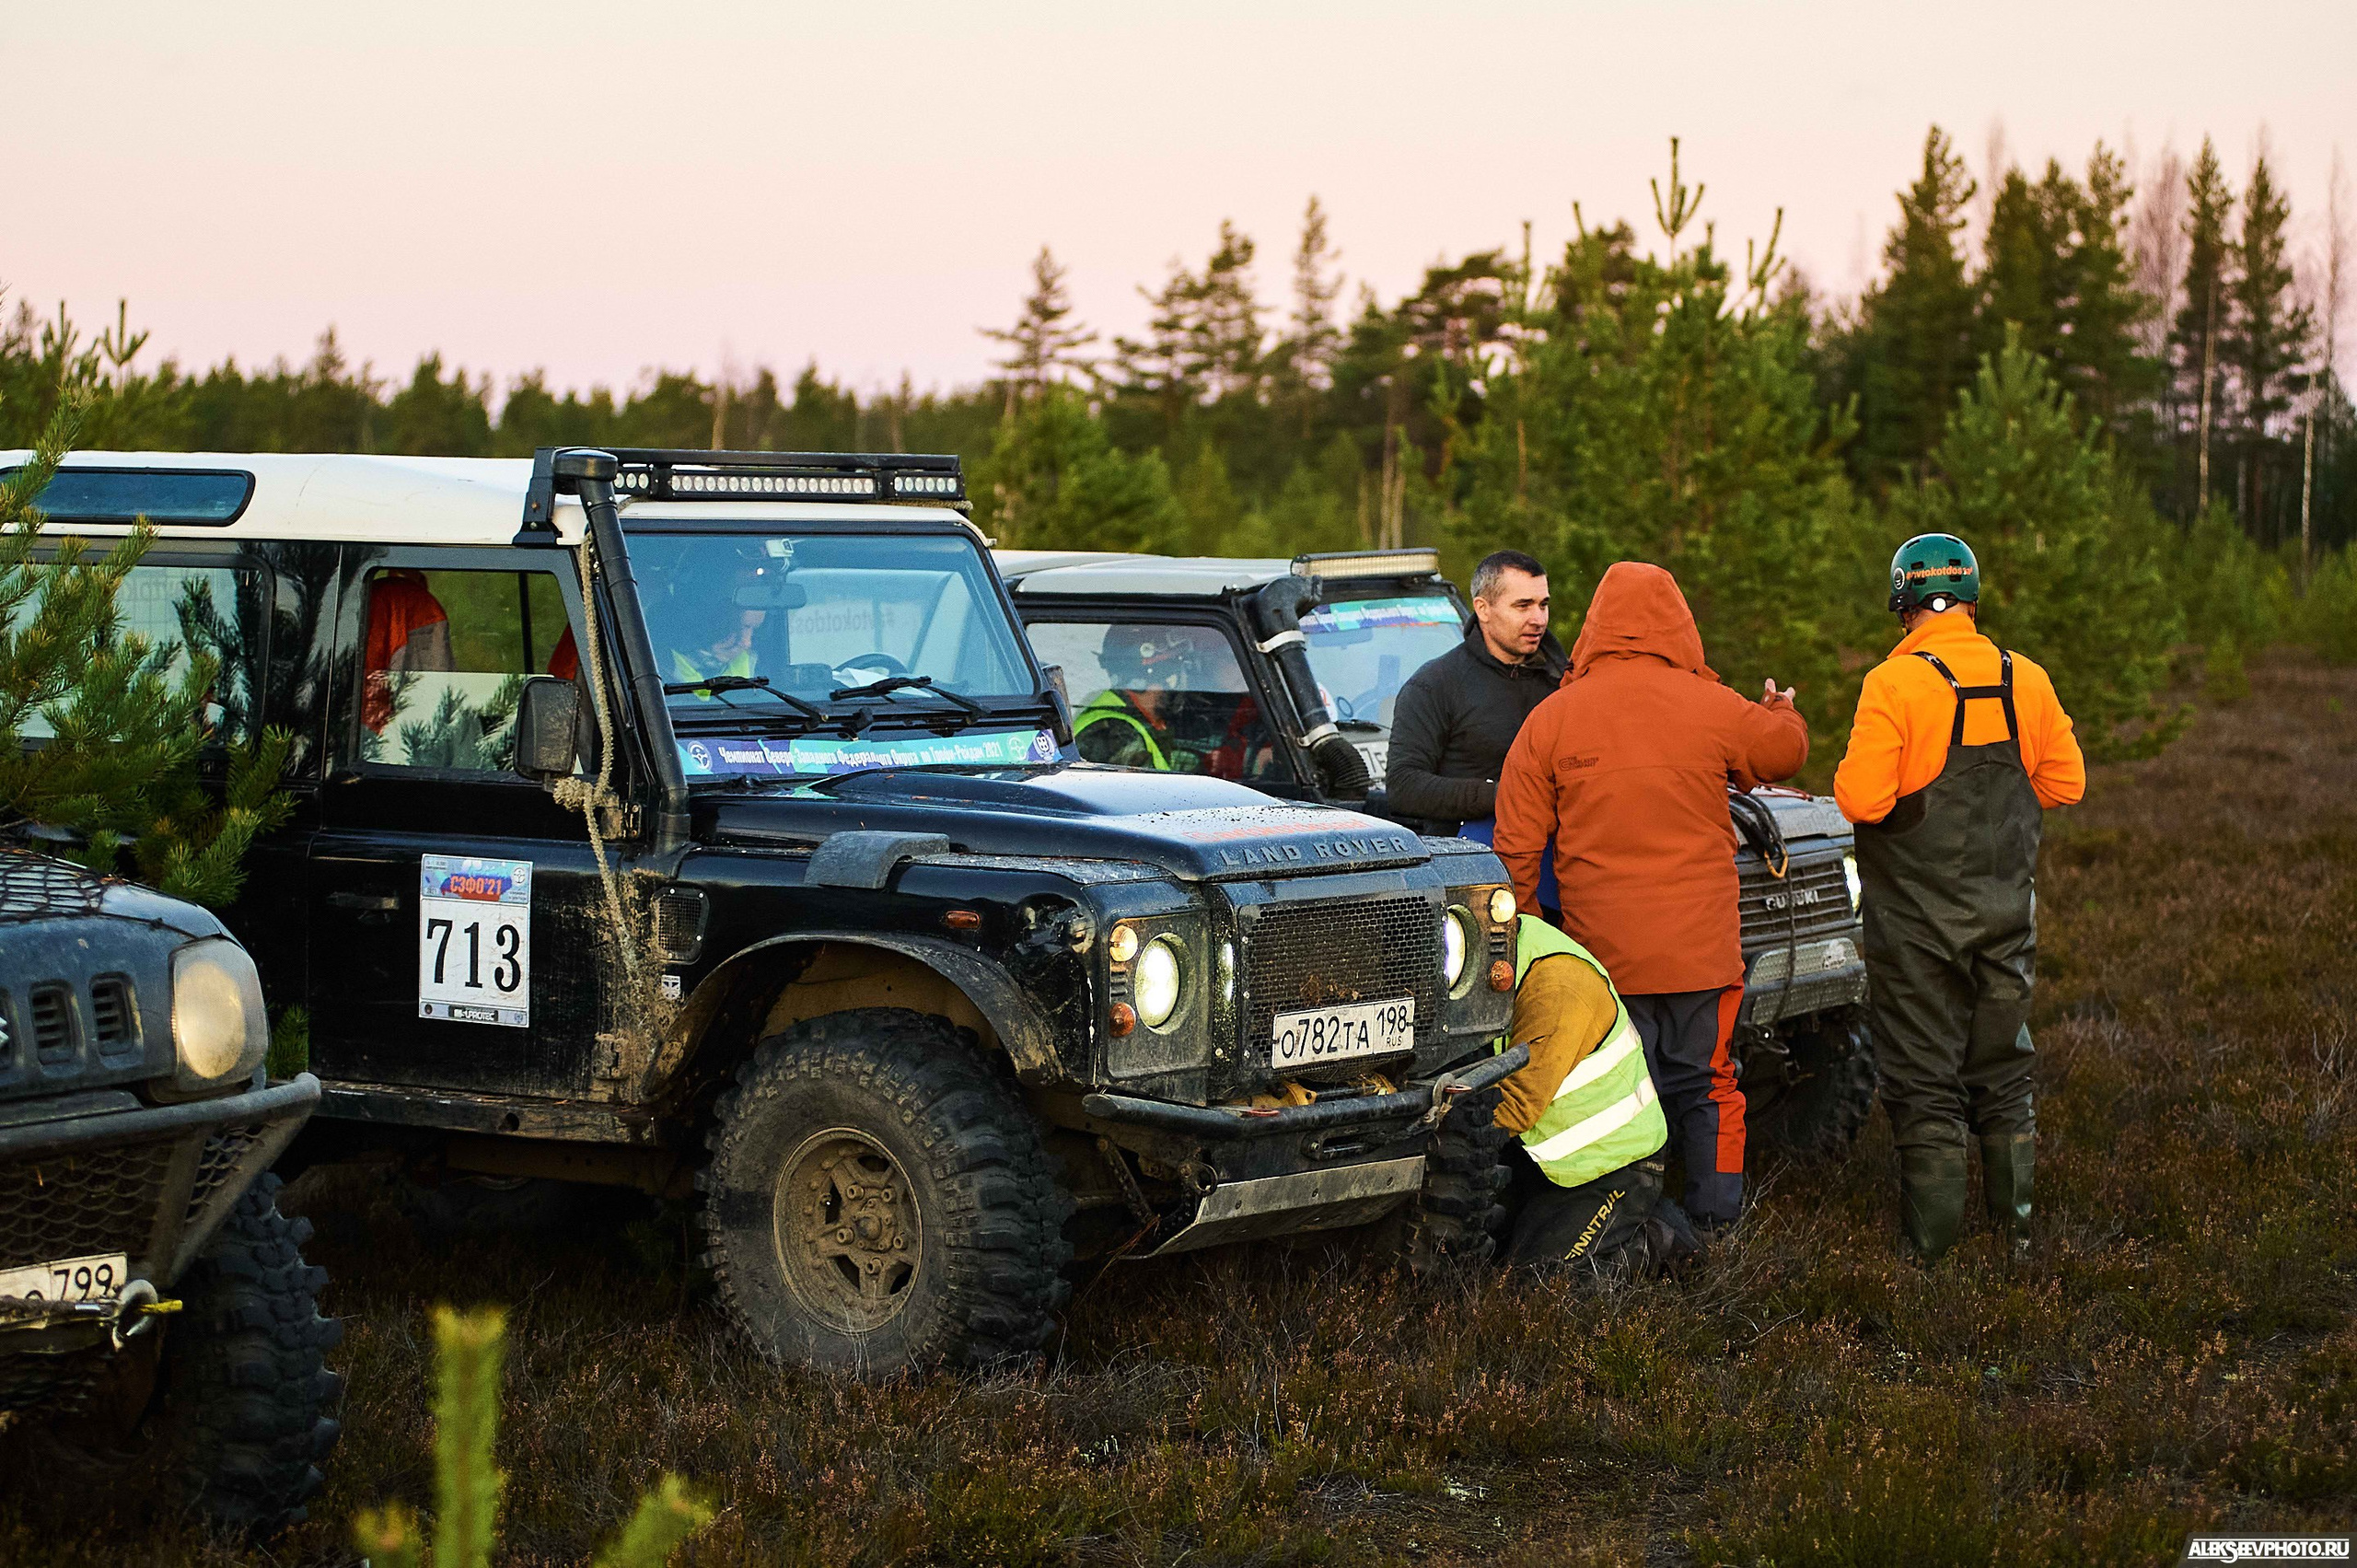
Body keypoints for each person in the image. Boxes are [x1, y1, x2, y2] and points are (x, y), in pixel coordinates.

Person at [1492, 562, 1807, 1237]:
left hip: (1607, 962)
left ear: (1596, 629)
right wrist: (1780, 705)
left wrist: (1534, 938)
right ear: (1679, 625)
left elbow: (1515, 847)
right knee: (1708, 1084)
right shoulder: (1712, 706)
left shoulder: (1552, 719)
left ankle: (1635, 1222)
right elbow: (1784, 752)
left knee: (1625, 1093)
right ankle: (1715, 1227)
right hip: (1702, 954)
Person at [1834, 533, 2084, 1263]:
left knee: (1922, 1077)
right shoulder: (2024, 678)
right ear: (1972, 598)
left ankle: (1931, 1257)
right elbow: (2066, 784)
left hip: (1915, 927)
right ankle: (2017, 1240)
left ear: (1903, 602)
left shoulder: (1894, 683)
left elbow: (1858, 796)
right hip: (2007, 915)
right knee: (2005, 1071)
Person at [1494, 913, 1699, 1277]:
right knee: (1483, 1264)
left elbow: (1516, 1106)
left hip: (1611, 1166)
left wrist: (1432, 1126)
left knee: (1542, 1288)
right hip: (1542, 1164)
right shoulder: (1505, 953)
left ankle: (1652, 1241)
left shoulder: (1556, 984)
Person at [1385, 550, 1566, 836]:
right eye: (1522, 606)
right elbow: (1403, 786)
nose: (1538, 619)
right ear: (1483, 609)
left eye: (1543, 605)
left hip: (1562, 856)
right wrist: (1501, 795)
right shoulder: (1435, 685)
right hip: (1475, 860)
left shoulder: (1566, 681)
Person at [1074, 624, 1206, 772]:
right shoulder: (1118, 735)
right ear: (1156, 674)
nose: (1181, 684)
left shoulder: (1136, 721)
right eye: (1175, 671)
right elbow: (1154, 792)